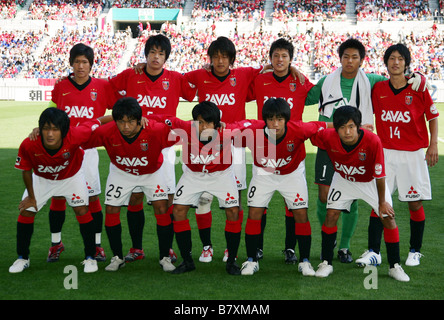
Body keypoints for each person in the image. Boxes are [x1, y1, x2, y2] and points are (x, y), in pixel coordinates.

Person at [304, 38, 428, 264]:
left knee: (352, 198)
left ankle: (344, 246)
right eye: (345, 56)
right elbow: (303, 96)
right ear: (339, 58)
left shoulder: (371, 80)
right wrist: (291, 71)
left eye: (354, 57)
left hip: (357, 145)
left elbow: (397, 79)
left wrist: (417, 75)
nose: (349, 61)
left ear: (362, 60)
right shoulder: (326, 81)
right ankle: (329, 240)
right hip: (328, 144)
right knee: (324, 197)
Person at [108, 34, 196, 263]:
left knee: (165, 200)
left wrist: (206, 65)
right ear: (145, 54)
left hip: (164, 146)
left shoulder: (176, 78)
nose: (156, 57)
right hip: (132, 145)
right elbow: (107, 88)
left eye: (161, 54)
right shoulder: (130, 75)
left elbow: (196, 88)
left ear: (166, 57)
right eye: (152, 53)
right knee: (135, 197)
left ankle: (166, 250)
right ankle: (137, 248)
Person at [226, 98, 329, 276]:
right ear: (265, 119)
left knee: (301, 214)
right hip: (264, 174)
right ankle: (251, 260)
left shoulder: (298, 129)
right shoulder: (253, 129)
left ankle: (305, 261)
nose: (275, 123)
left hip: (291, 174)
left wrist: (355, 126)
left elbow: (324, 125)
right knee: (254, 213)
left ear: (286, 119)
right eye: (271, 119)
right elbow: (229, 127)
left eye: (280, 119)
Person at [310, 106, 410, 282]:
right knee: (331, 214)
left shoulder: (372, 141)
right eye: (342, 127)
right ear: (336, 128)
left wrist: (382, 203)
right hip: (343, 179)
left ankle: (395, 266)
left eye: (351, 126)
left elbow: (380, 176)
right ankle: (326, 262)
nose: (347, 131)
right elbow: (309, 129)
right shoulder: (327, 136)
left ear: (358, 126)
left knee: (388, 216)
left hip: (370, 181)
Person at [361, 43, 439, 268]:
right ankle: (374, 251)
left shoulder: (418, 88)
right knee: (380, 202)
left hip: (412, 154)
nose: (395, 62)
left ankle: (415, 250)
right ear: (386, 63)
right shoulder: (379, 89)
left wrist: (433, 144)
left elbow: (432, 117)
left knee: (414, 203)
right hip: (385, 152)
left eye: (400, 59)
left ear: (406, 63)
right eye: (392, 58)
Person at [82, 97, 177, 272]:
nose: (126, 127)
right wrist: (96, 120)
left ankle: (165, 257)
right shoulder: (107, 131)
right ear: (115, 120)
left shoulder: (156, 130)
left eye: (131, 122)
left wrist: (155, 117)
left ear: (140, 120)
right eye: (121, 122)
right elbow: (79, 138)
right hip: (122, 172)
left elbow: (186, 131)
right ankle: (117, 257)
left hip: (151, 173)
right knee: (111, 209)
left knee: (162, 207)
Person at [10, 108, 109, 273]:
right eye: (46, 128)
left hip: (71, 177)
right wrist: (32, 197)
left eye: (55, 129)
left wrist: (129, 116)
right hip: (42, 179)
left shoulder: (76, 134)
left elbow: (100, 120)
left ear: (64, 130)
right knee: (26, 211)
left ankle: (90, 258)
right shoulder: (29, 144)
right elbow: (26, 171)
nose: (50, 134)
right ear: (39, 129)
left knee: (82, 210)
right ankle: (22, 258)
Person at [148, 101, 242, 275]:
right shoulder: (186, 128)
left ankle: (231, 262)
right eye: (199, 122)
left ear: (217, 123)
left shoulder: (227, 131)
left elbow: (253, 123)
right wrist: (143, 119)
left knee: (233, 211)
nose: (203, 127)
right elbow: (165, 118)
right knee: (178, 211)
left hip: (221, 175)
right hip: (193, 175)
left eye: (208, 123)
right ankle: (187, 261)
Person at [46, 43, 118, 263]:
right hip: (62, 150)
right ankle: (56, 243)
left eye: (84, 62)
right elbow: (49, 113)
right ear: (71, 63)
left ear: (91, 64)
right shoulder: (61, 87)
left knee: (92, 197)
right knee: (58, 196)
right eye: (77, 61)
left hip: (88, 151)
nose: (80, 66)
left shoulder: (102, 86)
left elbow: (118, 111)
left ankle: (96, 246)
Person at [247, 37, 315, 264]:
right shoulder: (260, 80)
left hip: (292, 151)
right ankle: (256, 249)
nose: (280, 59)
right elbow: (235, 86)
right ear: (270, 58)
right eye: (276, 55)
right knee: (260, 205)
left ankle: (290, 248)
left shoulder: (301, 81)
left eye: (284, 56)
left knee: (293, 206)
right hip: (263, 151)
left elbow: (322, 95)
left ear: (291, 59)